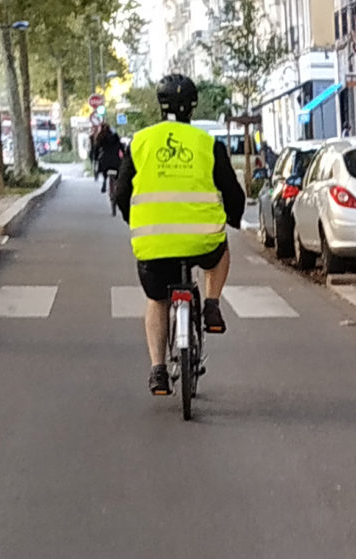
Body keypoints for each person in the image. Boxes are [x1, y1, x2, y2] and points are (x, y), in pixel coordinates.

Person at [112, 73, 246, 396]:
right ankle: (211, 304)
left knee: (156, 300)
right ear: (193, 107)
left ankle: (158, 369)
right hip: (203, 239)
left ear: (159, 106)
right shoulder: (207, 144)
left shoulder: (140, 142)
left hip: (154, 240)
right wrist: (234, 219)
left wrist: (137, 221)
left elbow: (120, 192)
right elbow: (232, 192)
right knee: (221, 250)